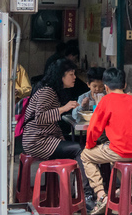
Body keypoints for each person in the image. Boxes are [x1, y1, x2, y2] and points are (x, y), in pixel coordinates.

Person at [82, 68, 132, 215]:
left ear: (106, 87)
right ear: (125, 84)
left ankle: (101, 194)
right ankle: (129, 190)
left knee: (85, 156)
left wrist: (90, 146)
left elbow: (93, 129)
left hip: (119, 152)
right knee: (114, 156)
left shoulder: (105, 101)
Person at [21, 59, 95, 205]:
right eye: (71, 74)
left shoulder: (51, 90)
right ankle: (87, 195)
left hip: (44, 138)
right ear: (61, 76)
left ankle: (79, 192)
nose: (74, 77)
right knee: (80, 150)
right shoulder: (46, 91)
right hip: (38, 141)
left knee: (77, 145)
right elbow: (40, 118)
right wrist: (64, 108)